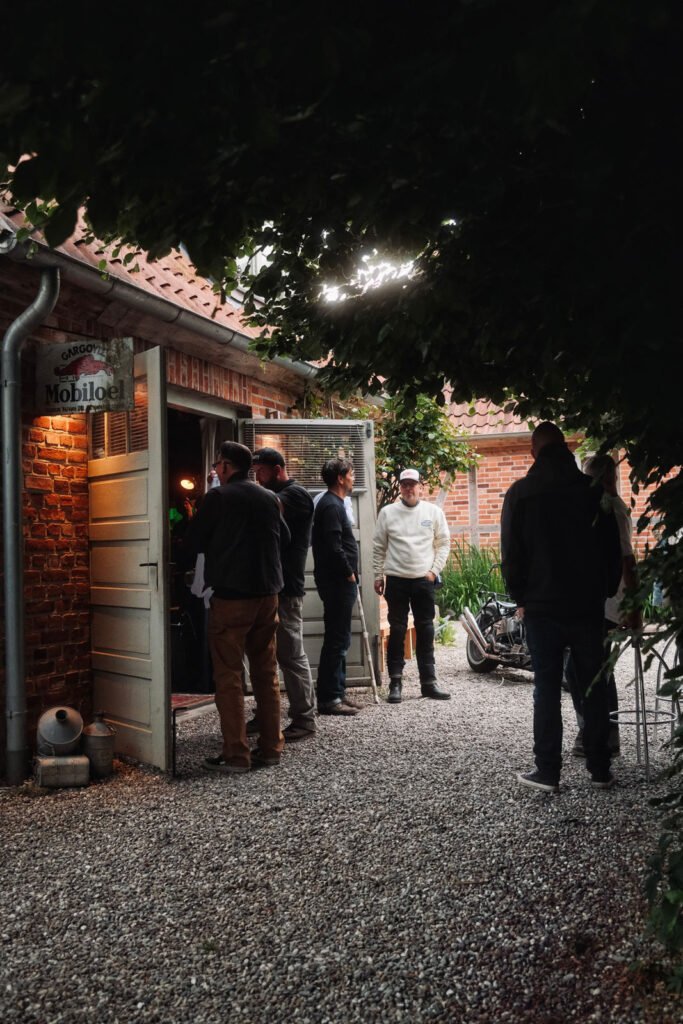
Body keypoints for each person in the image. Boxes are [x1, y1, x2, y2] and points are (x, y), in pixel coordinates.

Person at [501, 422, 621, 793]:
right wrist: (605, 590)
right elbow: (612, 549)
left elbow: (511, 554)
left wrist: (520, 597)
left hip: (542, 606)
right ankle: (600, 769)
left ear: (533, 452)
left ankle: (548, 771)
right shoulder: (593, 491)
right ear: (566, 448)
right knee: (593, 686)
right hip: (587, 606)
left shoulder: (520, 493)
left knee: (547, 689)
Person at [184, 440, 288, 773]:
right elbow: (285, 538)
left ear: (227, 467)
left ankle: (236, 754)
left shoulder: (218, 497)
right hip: (268, 594)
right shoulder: (269, 497)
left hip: (232, 596)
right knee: (266, 673)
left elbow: (194, 541)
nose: (216, 469)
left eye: (218, 465)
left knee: (228, 675)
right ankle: (271, 748)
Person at [569, 454, 640, 758]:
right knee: (590, 668)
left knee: (590, 669)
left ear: (602, 478)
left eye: (587, 476)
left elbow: (627, 560)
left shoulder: (612, 508)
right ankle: (597, 731)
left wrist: (634, 608)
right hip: (600, 599)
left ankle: (600, 732)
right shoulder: (601, 506)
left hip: (609, 601)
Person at [252, 446, 317, 741]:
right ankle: (265, 715)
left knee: (290, 655)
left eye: (261, 472)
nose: (257, 478)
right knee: (263, 655)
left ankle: (304, 718)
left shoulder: (296, 495)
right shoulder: (273, 492)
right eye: (254, 472)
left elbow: (269, 506)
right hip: (266, 587)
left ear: (277, 470)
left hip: (287, 588)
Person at [373, 468, 451, 702]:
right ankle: (395, 683)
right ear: (400, 487)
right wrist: (378, 575)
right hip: (396, 579)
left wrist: (433, 571)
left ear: (420, 487)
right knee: (397, 630)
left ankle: (429, 683)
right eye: (404, 484)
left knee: (425, 630)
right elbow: (378, 547)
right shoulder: (387, 513)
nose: (408, 488)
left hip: (423, 580)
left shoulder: (433, 512)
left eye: (412, 484)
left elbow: (444, 543)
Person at [312, 457, 361, 716]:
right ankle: (329, 698)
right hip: (337, 582)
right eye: (351, 474)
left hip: (339, 581)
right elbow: (333, 546)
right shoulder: (331, 505)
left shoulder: (336, 503)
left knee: (341, 637)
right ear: (340, 478)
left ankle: (338, 692)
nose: (353, 478)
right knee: (336, 639)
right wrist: (348, 572)